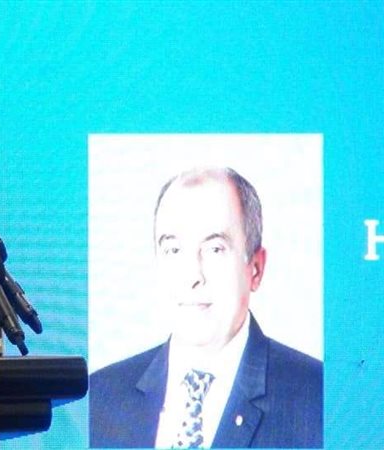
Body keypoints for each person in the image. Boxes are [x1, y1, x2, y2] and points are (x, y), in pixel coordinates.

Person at [89, 167, 323, 448]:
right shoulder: (98, 396)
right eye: (174, 250)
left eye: (215, 249)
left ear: (256, 268)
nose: (192, 276)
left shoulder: (319, 399)